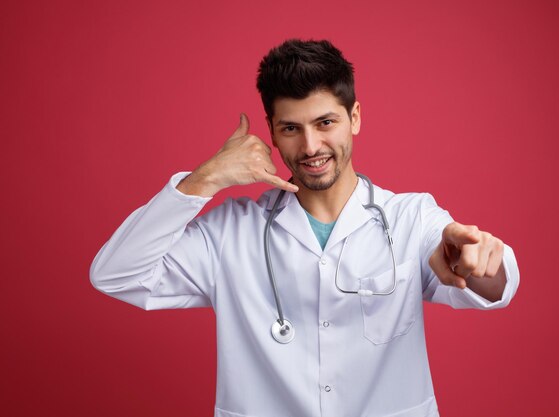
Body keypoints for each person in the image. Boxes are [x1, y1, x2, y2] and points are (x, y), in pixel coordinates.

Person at [90, 39, 520, 417]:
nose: (311, 146)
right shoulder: (230, 234)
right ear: (272, 136)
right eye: (291, 128)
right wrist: (204, 179)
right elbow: (115, 274)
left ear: (354, 117)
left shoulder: (410, 218)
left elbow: (495, 285)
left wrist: (476, 259)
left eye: (325, 123)